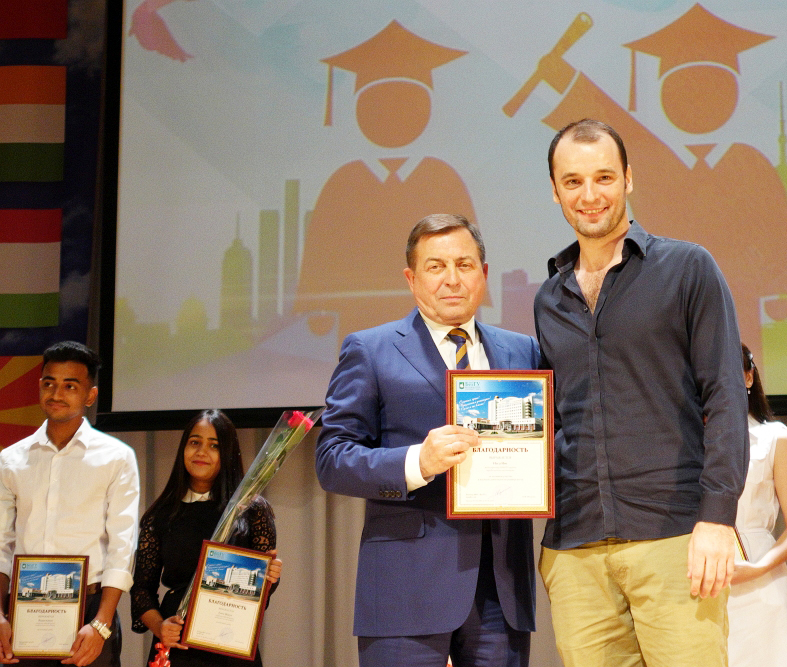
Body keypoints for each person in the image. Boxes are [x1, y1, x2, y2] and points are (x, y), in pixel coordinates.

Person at [533, 119, 749, 667]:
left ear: (628, 178)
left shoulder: (687, 268)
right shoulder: (549, 299)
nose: (589, 194)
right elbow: (554, 421)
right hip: (575, 546)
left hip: (675, 537)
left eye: (604, 177)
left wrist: (718, 518)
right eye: (573, 181)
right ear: (555, 190)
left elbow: (726, 396)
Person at [315, 214, 540, 667]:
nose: (452, 279)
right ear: (411, 279)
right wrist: (418, 462)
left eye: (464, 265)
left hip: (501, 594)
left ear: (484, 274)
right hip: (406, 589)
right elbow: (332, 458)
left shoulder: (523, 351)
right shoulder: (371, 349)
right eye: (436, 267)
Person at [0, 341, 141, 667]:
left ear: (90, 395)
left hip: (90, 612)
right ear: (39, 387)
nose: (57, 393)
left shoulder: (117, 457)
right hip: (23, 609)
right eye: (49, 383)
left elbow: (122, 545)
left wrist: (102, 623)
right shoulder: (11, 460)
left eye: (70, 386)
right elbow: (2, 544)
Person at [130, 409, 282, 666]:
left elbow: (261, 592)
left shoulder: (251, 509)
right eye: (194, 442)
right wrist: (160, 627)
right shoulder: (160, 514)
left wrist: (271, 575)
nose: (202, 452)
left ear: (228, 453)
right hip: (178, 644)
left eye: (214, 446)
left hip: (231, 643)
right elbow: (141, 589)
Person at [728, 344, 787, 667]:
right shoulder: (683, 442)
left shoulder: (775, 438)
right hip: (697, 583)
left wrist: (759, 567)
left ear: (749, 377)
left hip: (760, 584)